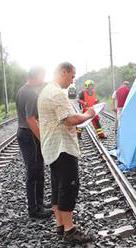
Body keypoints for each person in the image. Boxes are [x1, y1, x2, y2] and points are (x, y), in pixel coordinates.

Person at [38, 62, 96, 244]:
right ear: (64, 72)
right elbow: (70, 119)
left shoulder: (46, 91)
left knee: (57, 188)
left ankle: (60, 226)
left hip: (53, 148)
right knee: (68, 188)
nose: (73, 80)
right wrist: (89, 114)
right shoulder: (56, 93)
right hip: (63, 148)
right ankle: (70, 231)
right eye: (72, 75)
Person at [16, 66, 52, 219]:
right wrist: (42, 139)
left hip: (24, 133)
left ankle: (39, 204)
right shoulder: (30, 93)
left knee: (36, 170)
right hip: (29, 135)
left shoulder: (21, 90)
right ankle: (35, 209)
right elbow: (30, 119)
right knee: (34, 171)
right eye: (42, 75)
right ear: (36, 76)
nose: (43, 79)